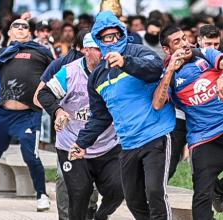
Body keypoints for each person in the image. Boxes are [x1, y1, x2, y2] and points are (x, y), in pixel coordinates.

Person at [71, 11, 175, 220]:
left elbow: (155, 68)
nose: (112, 40)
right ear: (99, 39)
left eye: (116, 35)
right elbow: (100, 117)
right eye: (106, 37)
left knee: (154, 192)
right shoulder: (97, 76)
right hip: (127, 143)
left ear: (122, 33)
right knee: (134, 200)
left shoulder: (137, 51)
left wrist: (125, 61)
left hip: (155, 135)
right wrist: (82, 143)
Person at [155, 25, 223, 220]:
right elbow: (158, 104)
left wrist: (222, 78)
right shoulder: (166, 74)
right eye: (177, 42)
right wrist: (169, 71)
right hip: (203, 138)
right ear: (167, 50)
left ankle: (222, 187)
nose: (185, 43)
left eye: (184, 38)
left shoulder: (204, 54)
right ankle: (214, 191)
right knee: (202, 196)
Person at [38, 32, 124, 220]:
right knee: (80, 194)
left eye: (105, 49)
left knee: (119, 188)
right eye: (97, 49)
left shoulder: (115, 70)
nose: (103, 54)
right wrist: (58, 111)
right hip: (73, 145)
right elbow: (44, 94)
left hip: (107, 145)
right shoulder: (69, 72)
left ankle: (100, 216)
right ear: (86, 50)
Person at [0, 18, 53, 212]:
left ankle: (41, 194)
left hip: (28, 115)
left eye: (25, 26)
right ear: (9, 32)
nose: (20, 28)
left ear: (30, 32)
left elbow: (58, 71)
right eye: (16, 25)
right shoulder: (2, 53)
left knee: (30, 155)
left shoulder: (41, 52)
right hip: (3, 114)